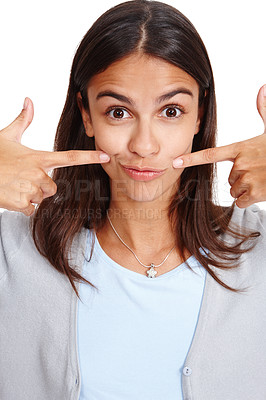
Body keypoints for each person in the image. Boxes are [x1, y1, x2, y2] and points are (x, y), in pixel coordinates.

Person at [0, 0, 266, 399]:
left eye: (171, 110)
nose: (144, 146)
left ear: (200, 115)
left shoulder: (256, 250)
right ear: (86, 115)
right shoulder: (15, 250)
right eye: (118, 113)